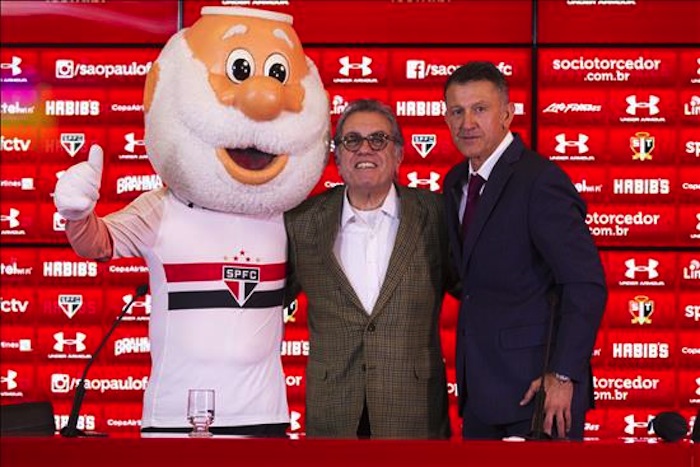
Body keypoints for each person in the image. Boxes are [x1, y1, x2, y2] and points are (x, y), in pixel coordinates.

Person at [53, 7, 330, 436]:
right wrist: (77, 214)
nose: (262, 100)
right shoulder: (160, 208)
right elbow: (98, 244)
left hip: (263, 417)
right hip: (174, 418)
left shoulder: (286, 215)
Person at [442, 61, 606, 440]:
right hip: (480, 393)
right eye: (457, 111)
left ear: (508, 115)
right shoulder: (455, 183)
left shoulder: (540, 181)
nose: (467, 122)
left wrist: (564, 374)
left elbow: (585, 284)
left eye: (480, 109)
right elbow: (468, 280)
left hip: (540, 394)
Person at [284, 99, 452, 439]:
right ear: (337, 156)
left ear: (399, 153)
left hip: (414, 410)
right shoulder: (301, 222)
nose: (365, 149)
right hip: (334, 412)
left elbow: (479, 289)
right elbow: (266, 300)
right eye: (352, 140)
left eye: (378, 139)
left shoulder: (437, 215)